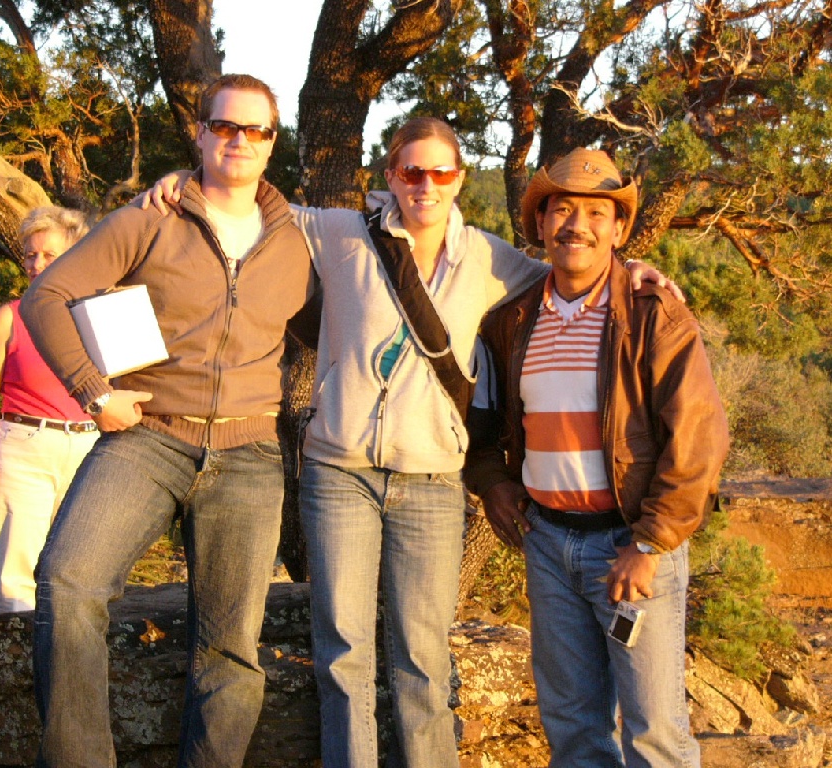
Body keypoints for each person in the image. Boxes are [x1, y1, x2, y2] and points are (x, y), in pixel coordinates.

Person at [144, 119, 682, 768]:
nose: (426, 185)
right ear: (390, 176)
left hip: (431, 481)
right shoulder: (342, 233)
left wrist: (632, 272)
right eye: (411, 171)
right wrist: (188, 181)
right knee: (343, 650)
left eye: (441, 172)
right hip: (339, 473)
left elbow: (573, 270)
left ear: (459, 180)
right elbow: (253, 206)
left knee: (422, 656)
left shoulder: (488, 258)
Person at [19, 74, 315, 768]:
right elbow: (46, 295)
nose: (239, 140)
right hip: (148, 437)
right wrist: (94, 393)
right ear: (201, 133)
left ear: (273, 143)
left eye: (255, 130)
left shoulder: (301, 238)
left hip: (249, 452)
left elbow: (345, 321)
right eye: (225, 127)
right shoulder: (150, 217)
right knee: (67, 580)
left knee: (230, 648)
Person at [464, 147, 730, 767]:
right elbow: (484, 422)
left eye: (595, 213)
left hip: (629, 546)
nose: (576, 226)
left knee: (654, 733)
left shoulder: (651, 312)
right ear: (539, 223)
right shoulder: (512, 320)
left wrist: (651, 543)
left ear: (618, 229)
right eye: (562, 210)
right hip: (548, 545)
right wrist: (494, 483)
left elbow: (698, 437)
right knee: (573, 729)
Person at [0, 206, 98, 614]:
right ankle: (16, 653)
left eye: (48, 254)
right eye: (30, 255)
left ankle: (67, 653)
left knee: (82, 568)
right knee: (17, 572)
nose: (36, 263)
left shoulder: (94, 316)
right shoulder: (7, 318)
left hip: (89, 449)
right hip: (22, 449)